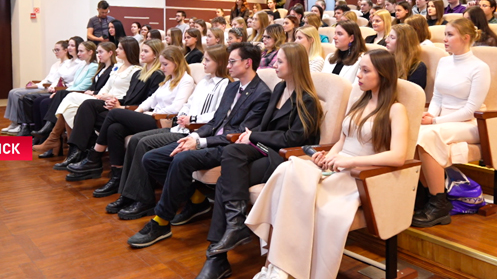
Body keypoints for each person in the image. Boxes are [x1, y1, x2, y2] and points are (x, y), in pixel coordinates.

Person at [245, 49, 408, 279]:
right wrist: (327, 157)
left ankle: (282, 269)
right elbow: (342, 140)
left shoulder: (395, 109)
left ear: (383, 74)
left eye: (365, 70)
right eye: (359, 69)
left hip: (360, 176)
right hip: (336, 168)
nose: (358, 75)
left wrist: (350, 161)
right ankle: (278, 266)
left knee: (290, 176)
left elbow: (398, 156)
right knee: (287, 168)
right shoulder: (359, 103)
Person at [196, 42, 323, 278]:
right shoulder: (278, 89)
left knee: (225, 181)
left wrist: (254, 135)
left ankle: (217, 256)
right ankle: (234, 227)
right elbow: (265, 127)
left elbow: (295, 137)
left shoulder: (307, 99)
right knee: (233, 153)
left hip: (286, 156)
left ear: (294, 65)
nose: (274, 64)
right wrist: (251, 138)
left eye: (281, 61)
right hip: (264, 148)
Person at [127, 43, 271, 248]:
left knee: (181, 159)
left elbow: (238, 134)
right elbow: (214, 122)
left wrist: (201, 142)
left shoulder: (261, 94)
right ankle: (196, 197)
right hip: (209, 138)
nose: (228, 66)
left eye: (232, 61)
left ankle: (161, 221)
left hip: (228, 147)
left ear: (247, 63)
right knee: (152, 158)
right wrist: (194, 136)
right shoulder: (232, 87)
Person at [108, 45, 232, 219]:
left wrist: (192, 120)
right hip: (181, 127)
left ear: (219, 62)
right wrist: (183, 115)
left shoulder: (226, 84)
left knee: (144, 143)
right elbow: (188, 103)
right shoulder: (204, 81)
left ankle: (144, 200)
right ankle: (128, 195)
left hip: (195, 132)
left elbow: (218, 114)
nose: (203, 63)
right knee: (136, 139)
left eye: (207, 60)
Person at [66, 46, 195, 191]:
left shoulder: (186, 80)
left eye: (165, 64)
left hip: (162, 122)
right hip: (151, 116)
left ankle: (94, 157)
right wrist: (138, 111)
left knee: (114, 114)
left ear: (176, 64)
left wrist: (146, 114)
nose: (162, 67)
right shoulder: (168, 80)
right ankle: (117, 175)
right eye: (162, 64)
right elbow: (150, 100)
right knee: (115, 129)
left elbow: (175, 109)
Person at [412, 18, 491, 227]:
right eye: (445, 34)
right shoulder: (444, 61)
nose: (444, 39)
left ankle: (439, 204)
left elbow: (470, 109)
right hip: (442, 119)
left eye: (450, 35)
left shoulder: (479, 68)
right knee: (411, 131)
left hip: (469, 123)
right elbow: (437, 97)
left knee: (426, 135)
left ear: (465, 38)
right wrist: (429, 116)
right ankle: (425, 196)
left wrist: (434, 121)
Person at [32, 42, 116, 153]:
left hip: (95, 97)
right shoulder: (100, 68)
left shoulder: (110, 69)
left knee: (62, 98)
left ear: (110, 53)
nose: (98, 55)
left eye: (100, 52)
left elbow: (99, 88)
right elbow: (83, 84)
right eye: (97, 52)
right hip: (88, 94)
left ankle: (51, 136)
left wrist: (94, 92)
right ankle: (49, 138)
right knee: (46, 101)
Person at [23, 41, 99, 144]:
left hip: (80, 93)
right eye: (79, 51)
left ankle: (48, 132)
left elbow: (84, 85)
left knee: (46, 102)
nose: (79, 53)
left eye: (81, 51)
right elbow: (74, 84)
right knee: (39, 101)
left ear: (90, 52)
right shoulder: (83, 65)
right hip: (72, 91)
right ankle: (41, 135)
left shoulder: (93, 66)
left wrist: (63, 92)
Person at [2, 39, 82, 135]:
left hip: (55, 88)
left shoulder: (76, 64)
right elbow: (52, 79)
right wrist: (39, 84)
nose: (55, 52)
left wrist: (41, 85)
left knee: (22, 95)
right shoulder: (58, 64)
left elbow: (67, 81)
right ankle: (18, 123)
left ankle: (22, 124)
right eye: (54, 50)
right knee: (13, 91)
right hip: (51, 86)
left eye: (58, 50)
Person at [321, 20, 366, 84]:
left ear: (351, 38)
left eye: (339, 34)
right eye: (335, 33)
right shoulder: (330, 57)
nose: (334, 37)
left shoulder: (362, 59)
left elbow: (357, 87)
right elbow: (322, 82)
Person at [386, 24, 427, 89]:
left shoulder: (418, 68)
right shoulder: (387, 61)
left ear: (404, 42)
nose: (386, 40)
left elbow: (413, 95)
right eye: (388, 36)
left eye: (392, 37)